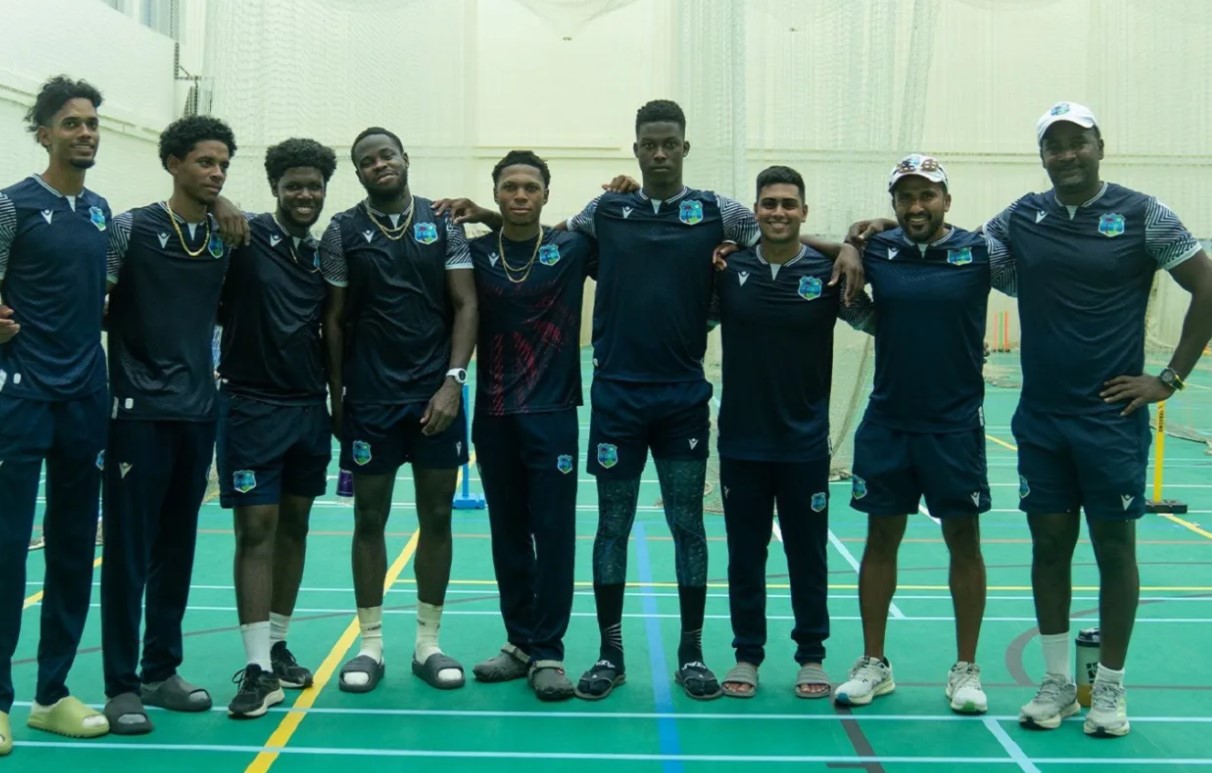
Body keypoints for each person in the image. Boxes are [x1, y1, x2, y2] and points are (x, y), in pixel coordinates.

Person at [851, 104, 1212, 737]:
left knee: (1114, 548)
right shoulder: (1022, 216)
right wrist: (869, 238)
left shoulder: (1145, 215)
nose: (1067, 155)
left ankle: (1110, 689)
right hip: (1041, 416)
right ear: (1042, 154)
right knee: (1049, 548)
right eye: (1055, 146)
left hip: (1110, 414)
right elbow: (944, 242)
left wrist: (1170, 378)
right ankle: (1056, 683)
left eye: (1078, 143)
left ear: (1100, 144)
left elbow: (1207, 288)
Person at [833, 154, 1014, 714]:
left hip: (955, 425)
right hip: (888, 422)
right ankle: (873, 664)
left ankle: (965, 670)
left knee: (964, 543)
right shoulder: (878, 251)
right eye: (905, 197)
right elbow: (814, 251)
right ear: (893, 204)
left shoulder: (980, 252)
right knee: (880, 541)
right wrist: (845, 243)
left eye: (927, 195)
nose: (916, 206)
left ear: (947, 201)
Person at [321, 127, 477, 693]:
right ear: (357, 173)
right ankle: (371, 646)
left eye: (386, 154)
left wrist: (453, 383)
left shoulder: (445, 223)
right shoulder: (341, 231)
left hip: (435, 398)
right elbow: (333, 320)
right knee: (369, 520)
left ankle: (428, 644)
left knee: (436, 518)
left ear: (406, 158)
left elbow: (465, 303)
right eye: (366, 161)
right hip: (371, 400)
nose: (378, 164)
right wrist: (338, 395)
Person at [711, 166, 873, 700]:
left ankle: (811, 655)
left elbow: (876, 309)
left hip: (803, 443)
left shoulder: (828, 271)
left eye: (788, 204)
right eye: (768, 203)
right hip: (740, 440)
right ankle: (747, 654)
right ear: (755, 212)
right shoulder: (727, 269)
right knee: (744, 553)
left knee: (807, 554)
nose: (777, 211)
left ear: (804, 211)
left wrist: (850, 246)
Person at [101, 115, 237, 735]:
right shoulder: (130, 228)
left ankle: (161, 670)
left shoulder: (224, 236)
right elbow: (90, 304)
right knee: (129, 553)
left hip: (196, 413)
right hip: (135, 414)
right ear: (173, 163)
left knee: (177, 550)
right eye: (205, 162)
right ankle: (120, 686)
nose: (215, 173)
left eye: (223, 165)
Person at [453, 150, 597, 702]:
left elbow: (626, 226)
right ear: (495, 194)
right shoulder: (474, 251)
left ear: (545, 195)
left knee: (554, 535)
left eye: (529, 188)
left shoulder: (572, 247)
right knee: (508, 534)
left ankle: (549, 652)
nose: (519, 195)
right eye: (509, 187)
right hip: (492, 414)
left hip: (553, 414)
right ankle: (518, 643)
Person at [0, 75, 111, 752]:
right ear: (43, 133)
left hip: (86, 398)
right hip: (19, 396)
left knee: (73, 548)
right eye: (71, 123)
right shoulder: (11, 207)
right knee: (8, 550)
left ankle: (51, 694)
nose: (86, 132)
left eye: (92, 122)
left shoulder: (101, 212)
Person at [217, 138, 337, 718]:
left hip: (308, 408)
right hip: (249, 406)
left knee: (294, 528)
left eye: (314, 185)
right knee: (255, 531)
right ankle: (257, 668)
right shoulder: (244, 236)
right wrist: (219, 204)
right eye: (294, 184)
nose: (305, 194)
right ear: (275, 188)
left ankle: (279, 644)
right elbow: (200, 207)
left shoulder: (322, 254)